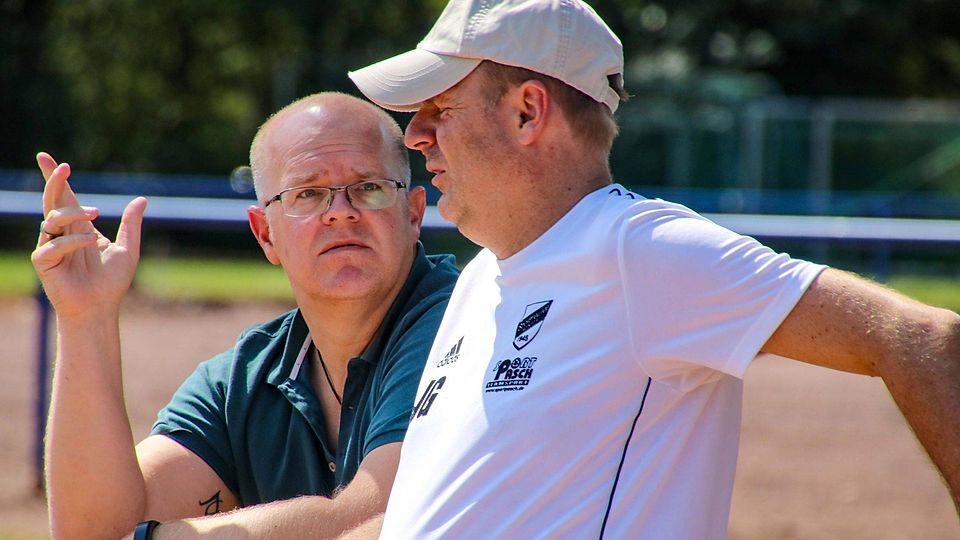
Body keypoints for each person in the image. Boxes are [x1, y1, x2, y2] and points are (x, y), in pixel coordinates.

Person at [347, 0, 960, 537]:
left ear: (528, 112)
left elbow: (919, 337)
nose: (416, 134)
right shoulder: (481, 275)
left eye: (440, 107)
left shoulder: (637, 249)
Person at [30, 92, 459, 539]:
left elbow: (385, 518)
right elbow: (93, 531)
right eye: (308, 193)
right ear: (265, 233)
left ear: (413, 214)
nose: (341, 213)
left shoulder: (459, 323)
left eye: (368, 188)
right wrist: (86, 316)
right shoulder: (244, 378)